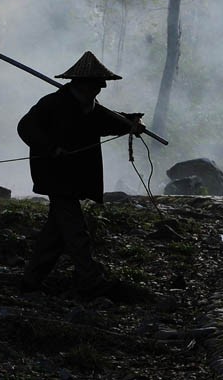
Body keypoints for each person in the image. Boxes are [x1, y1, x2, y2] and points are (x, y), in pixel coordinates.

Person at [17, 51, 145, 298]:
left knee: (55, 235)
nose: (102, 87)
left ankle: (30, 282)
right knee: (76, 231)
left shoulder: (91, 108)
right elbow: (26, 127)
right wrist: (51, 148)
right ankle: (89, 280)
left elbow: (109, 122)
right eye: (98, 83)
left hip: (73, 178)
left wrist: (131, 122)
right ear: (83, 83)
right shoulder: (52, 104)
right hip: (55, 177)